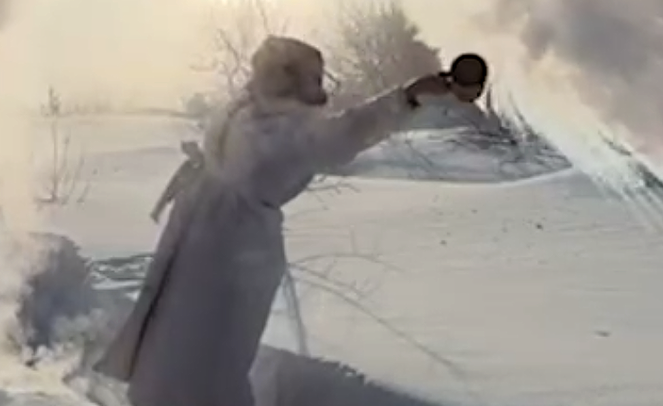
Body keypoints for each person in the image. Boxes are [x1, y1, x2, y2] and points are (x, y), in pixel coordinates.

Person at [94, 35, 489, 406]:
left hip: (202, 236)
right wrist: (408, 97)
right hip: (231, 251)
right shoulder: (282, 130)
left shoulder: (245, 112)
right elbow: (348, 132)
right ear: (292, 80)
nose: (321, 85)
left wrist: (412, 94)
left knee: (180, 347)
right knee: (213, 356)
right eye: (314, 77)